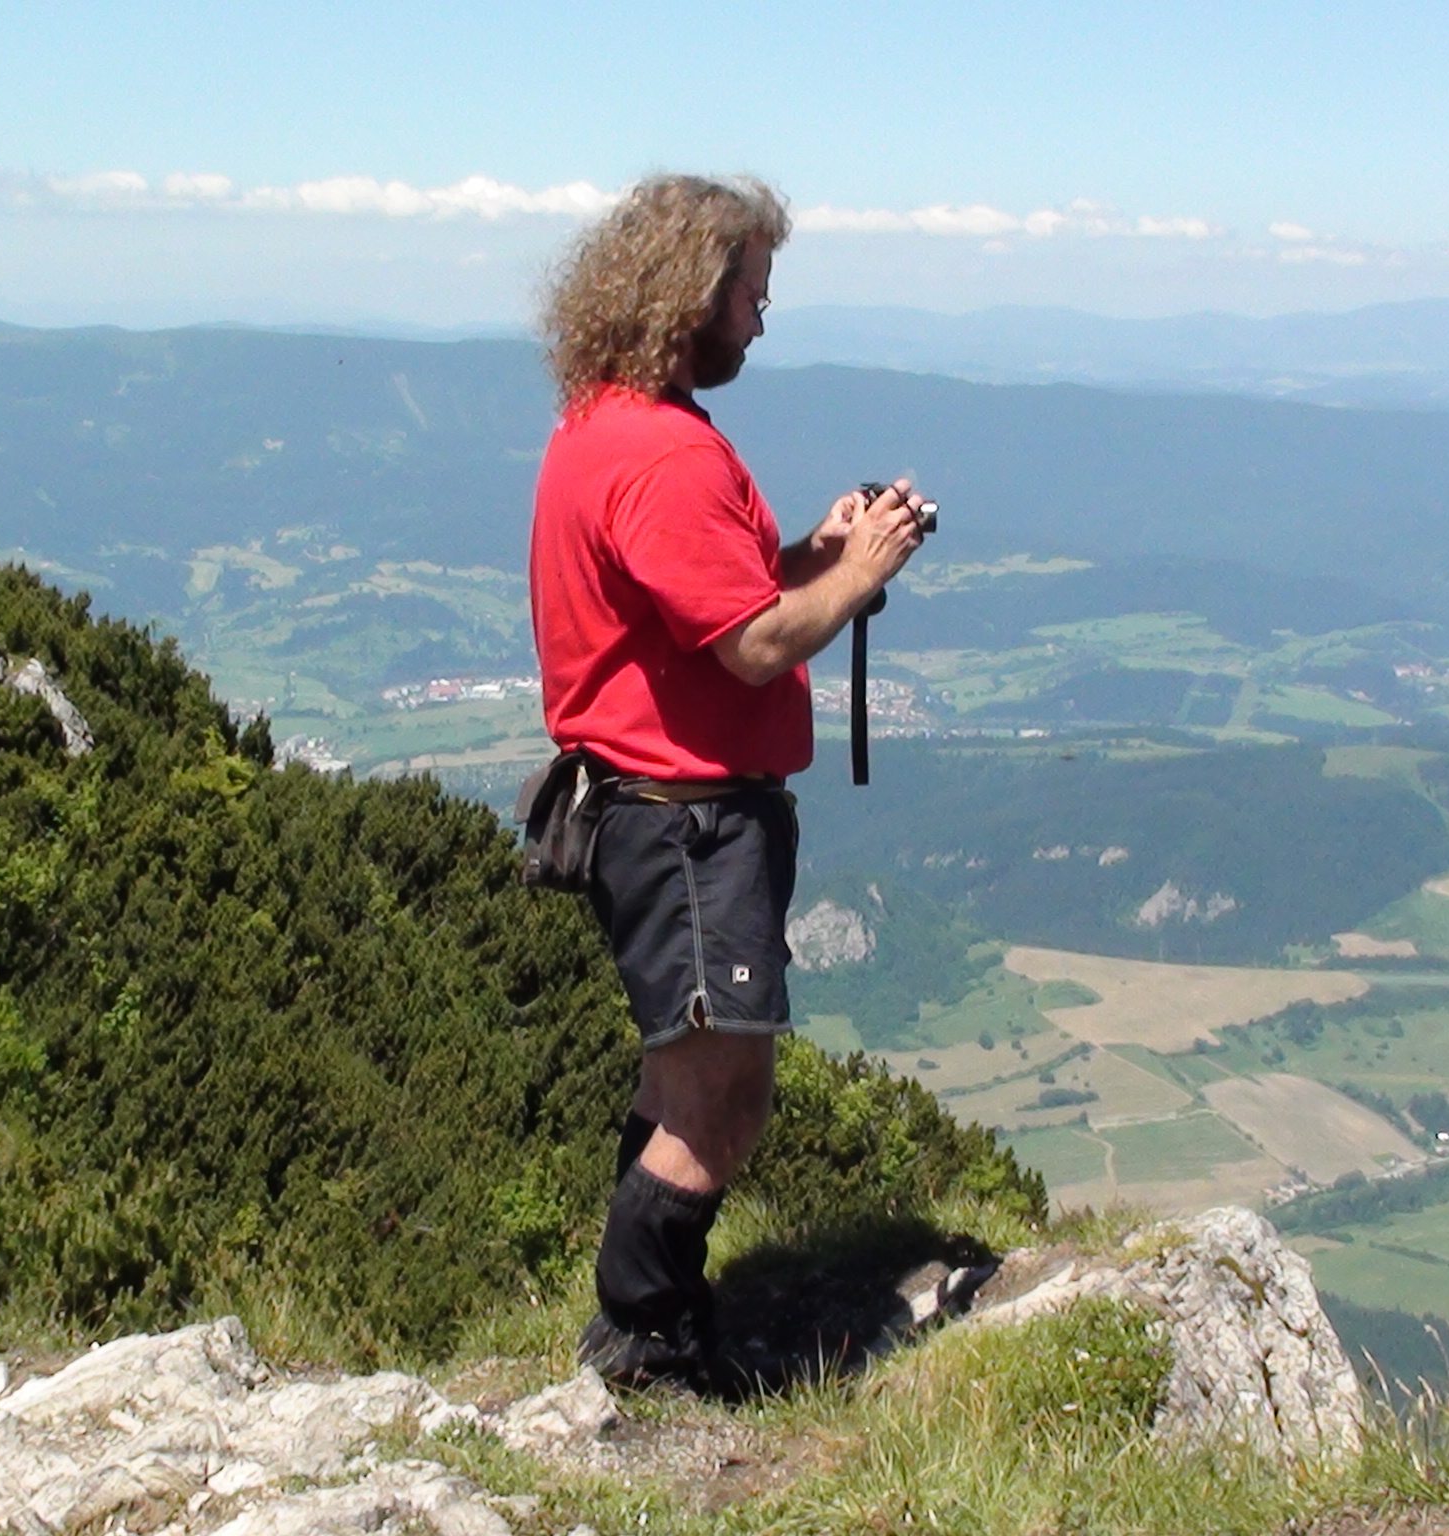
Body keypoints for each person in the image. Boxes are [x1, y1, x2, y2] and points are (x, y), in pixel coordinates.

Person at [529, 174, 930, 1393]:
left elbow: (712, 594)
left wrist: (814, 551)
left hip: (648, 813)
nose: (759, 316)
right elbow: (751, 644)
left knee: (683, 1078)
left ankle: (652, 1322)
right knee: (723, 1095)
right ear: (688, 293)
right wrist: (859, 573)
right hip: (685, 824)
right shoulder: (664, 456)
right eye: (749, 291)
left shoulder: (605, 425)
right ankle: (646, 1341)